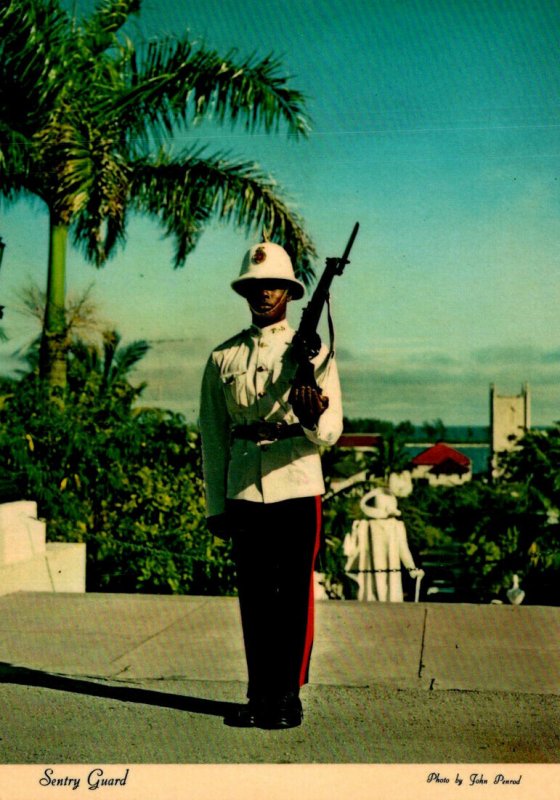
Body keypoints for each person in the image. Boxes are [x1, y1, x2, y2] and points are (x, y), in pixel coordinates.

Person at [199, 241, 343, 729]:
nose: (265, 294)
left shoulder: (312, 351)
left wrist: (310, 417)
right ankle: (259, 694)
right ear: (245, 291)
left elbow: (331, 430)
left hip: (297, 483)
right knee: (255, 596)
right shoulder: (223, 357)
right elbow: (213, 436)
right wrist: (216, 504)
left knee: (293, 596)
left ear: (290, 292)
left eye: (274, 285)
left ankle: (287, 696)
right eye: (256, 286)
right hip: (244, 487)